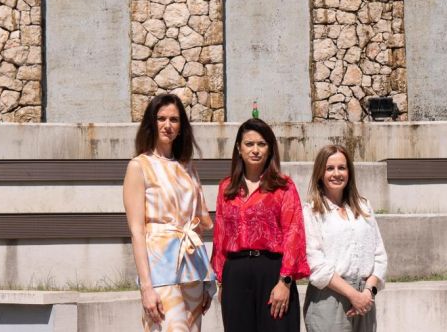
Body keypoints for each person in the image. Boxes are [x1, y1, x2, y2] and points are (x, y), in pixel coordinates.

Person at [123, 92, 215, 332]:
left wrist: (206, 279)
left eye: (174, 119)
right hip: (159, 268)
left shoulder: (188, 167)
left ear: (181, 126)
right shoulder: (138, 166)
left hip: (192, 269)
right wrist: (146, 287)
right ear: (151, 123)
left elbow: (197, 226)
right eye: (161, 118)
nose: (167, 125)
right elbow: (137, 231)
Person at [211, 118, 310, 332]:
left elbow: (294, 233)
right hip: (235, 274)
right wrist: (221, 281)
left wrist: (285, 281)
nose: (255, 150)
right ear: (239, 148)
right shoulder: (226, 187)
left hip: (273, 272)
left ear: (270, 148)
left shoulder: (283, 186)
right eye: (249, 144)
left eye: (261, 144)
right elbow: (220, 235)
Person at [302, 144, 387, 332]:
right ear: (320, 173)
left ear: (349, 172)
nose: (336, 173)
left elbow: (379, 255)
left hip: (365, 298)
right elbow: (315, 263)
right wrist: (353, 295)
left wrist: (368, 292)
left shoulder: (364, 207)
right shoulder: (311, 211)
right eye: (329, 168)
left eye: (342, 167)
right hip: (329, 298)